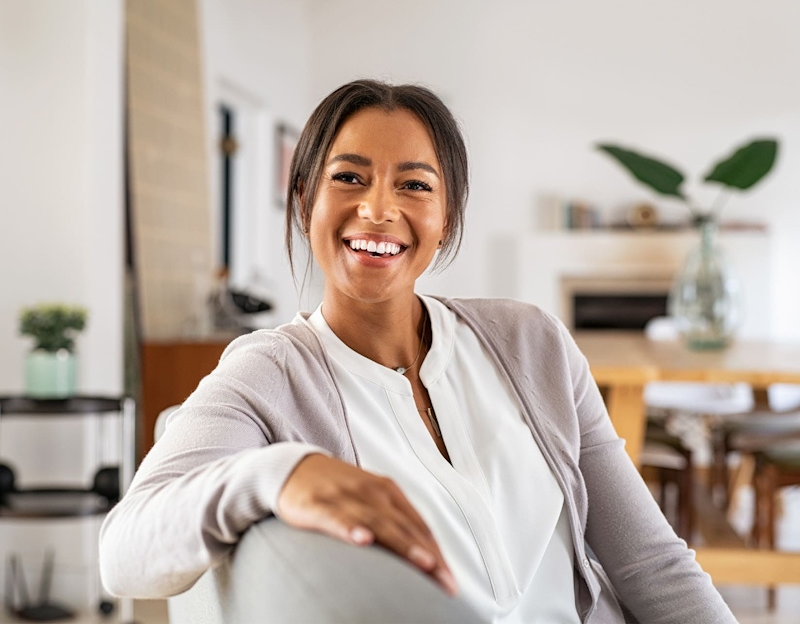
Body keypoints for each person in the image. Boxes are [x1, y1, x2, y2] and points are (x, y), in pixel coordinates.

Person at [99, 79, 737, 623]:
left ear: (447, 215)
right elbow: (123, 552)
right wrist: (281, 473)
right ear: (304, 200)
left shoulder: (532, 342)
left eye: (414, 185)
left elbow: (650, 561)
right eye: (348, 177)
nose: (378, 209)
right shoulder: (270, 371)